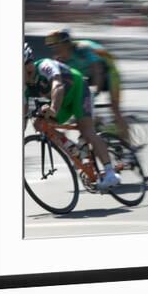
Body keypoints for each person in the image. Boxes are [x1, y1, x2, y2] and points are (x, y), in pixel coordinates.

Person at [23, 43, 120, 190]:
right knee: (39, 124)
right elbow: (23, 114)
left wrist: (53, 109)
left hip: (78, 90)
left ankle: (110, 172)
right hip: (63, 102)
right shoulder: (23, 87)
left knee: (87, 131)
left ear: (29, 64)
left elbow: (58, 85)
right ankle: (74, 150)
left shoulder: (45, 66)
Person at [44, 30, 129, 141]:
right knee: (87, 109)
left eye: (56, 45)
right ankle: (102, 127)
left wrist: (95, 91)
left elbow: (97, 69)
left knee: (115, 108)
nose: (54, 49)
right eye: (51, 46)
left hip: (108, 72)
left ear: (66, 43)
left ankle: (128, 144)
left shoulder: (82, 49)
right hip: (89, 76)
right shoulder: (59, 60)